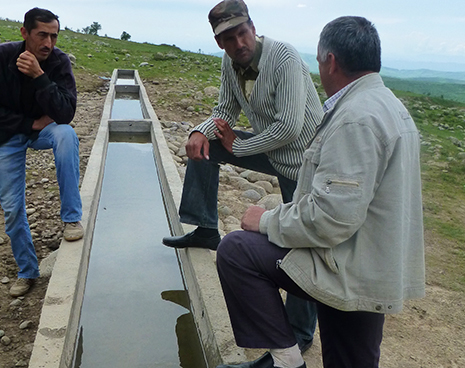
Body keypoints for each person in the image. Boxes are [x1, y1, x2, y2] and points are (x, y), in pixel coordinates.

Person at [215, 16, 426, 368]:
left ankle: (287, 361)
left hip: (350, 268)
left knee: (237, 250)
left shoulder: (356, 119)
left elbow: (330, 218)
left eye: (317, 60)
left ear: (330, 61)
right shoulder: (387, 105)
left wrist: (265, 219)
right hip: (370, 258)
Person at [162, 0, 323, 352]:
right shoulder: (231, 62)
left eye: (243, 33)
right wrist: (200, 131)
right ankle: (205, 229)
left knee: (302, 243)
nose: (239, 43)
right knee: (204, 146)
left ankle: (300, 332)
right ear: (220, 43)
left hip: (304, 163)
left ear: (253, 26)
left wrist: (238, 148)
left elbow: (290, 127)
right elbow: (225, 110)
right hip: (274, 153)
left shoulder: (284, 58)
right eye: (230, 39)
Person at [0, 7, 83, 298]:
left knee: (66, 135)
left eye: (54, 36)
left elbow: (66, 113)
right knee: (12, 209)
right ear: (24, 33)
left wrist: (39, 76)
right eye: (42, 35)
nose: (49, 43)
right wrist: (28, 122)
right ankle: (27, 271)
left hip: (42, 132)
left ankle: (72, 218)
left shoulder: (57, 62)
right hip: (6, 137)